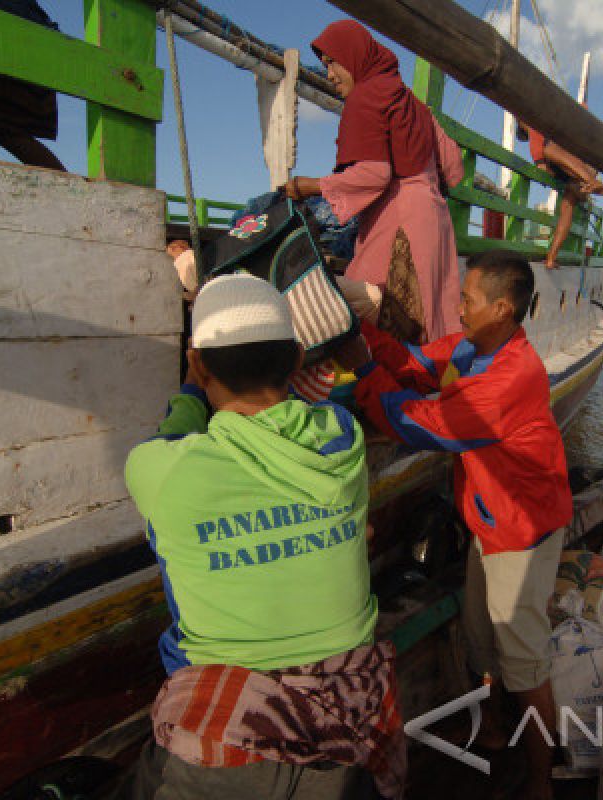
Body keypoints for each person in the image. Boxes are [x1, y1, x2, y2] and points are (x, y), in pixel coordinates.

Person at [118, 274, 403, 799]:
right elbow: (301, 417)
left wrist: (190, 385)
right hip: (346, 724)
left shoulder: (159, 470)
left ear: (200, 364)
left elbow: (177, 435)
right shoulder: (342, 437)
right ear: (297, 359)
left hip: (228, 736)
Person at [336, 249, 572, 800]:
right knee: (483, 641)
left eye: (467, 299)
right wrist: (363, 335)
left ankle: (542, 781)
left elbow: (426, 425)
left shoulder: (514, 375)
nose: (458, 307)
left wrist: (364, 371)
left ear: (502, 308)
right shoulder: (471, 349)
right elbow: (418, 364)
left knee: (525, 663)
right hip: (491, 520)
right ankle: (491, 729)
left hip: (524, 531)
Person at [283, 19, 464, 342]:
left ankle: (393, 386)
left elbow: (374, 174)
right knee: (431, 309)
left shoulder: (366, 97)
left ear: (354, 56)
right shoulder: (416, 105)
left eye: (332, 62)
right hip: (434, 217)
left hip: (400, 219)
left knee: (394, 311)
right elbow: (454, 169)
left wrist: (308, 185)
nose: (329, 75)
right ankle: (432, 380)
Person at [0, 0, 65, 171]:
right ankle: (65, 184)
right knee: (5, 128)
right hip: (33, 39)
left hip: (10, 38)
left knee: (3, 127)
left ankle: (65, 185)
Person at [515, 120, 603, 270]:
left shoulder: (532, 126)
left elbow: (541, 160)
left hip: (577, 167)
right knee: (568, 205)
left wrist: (540, 162)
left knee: (567, 205)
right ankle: (551, 258)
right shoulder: (545, 130)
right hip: (577, 170)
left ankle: (589, 183)